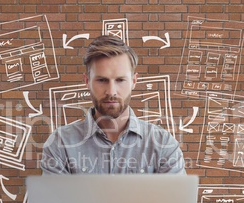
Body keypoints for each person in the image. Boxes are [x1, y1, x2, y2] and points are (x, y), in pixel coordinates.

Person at [41, 35, 186, 174]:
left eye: (120, 80)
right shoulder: (61, 144)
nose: (111, 91)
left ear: (134, 81)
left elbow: (176, 199)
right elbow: (55, 200)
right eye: (102, 80)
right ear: (87, 81)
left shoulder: (163, 144)